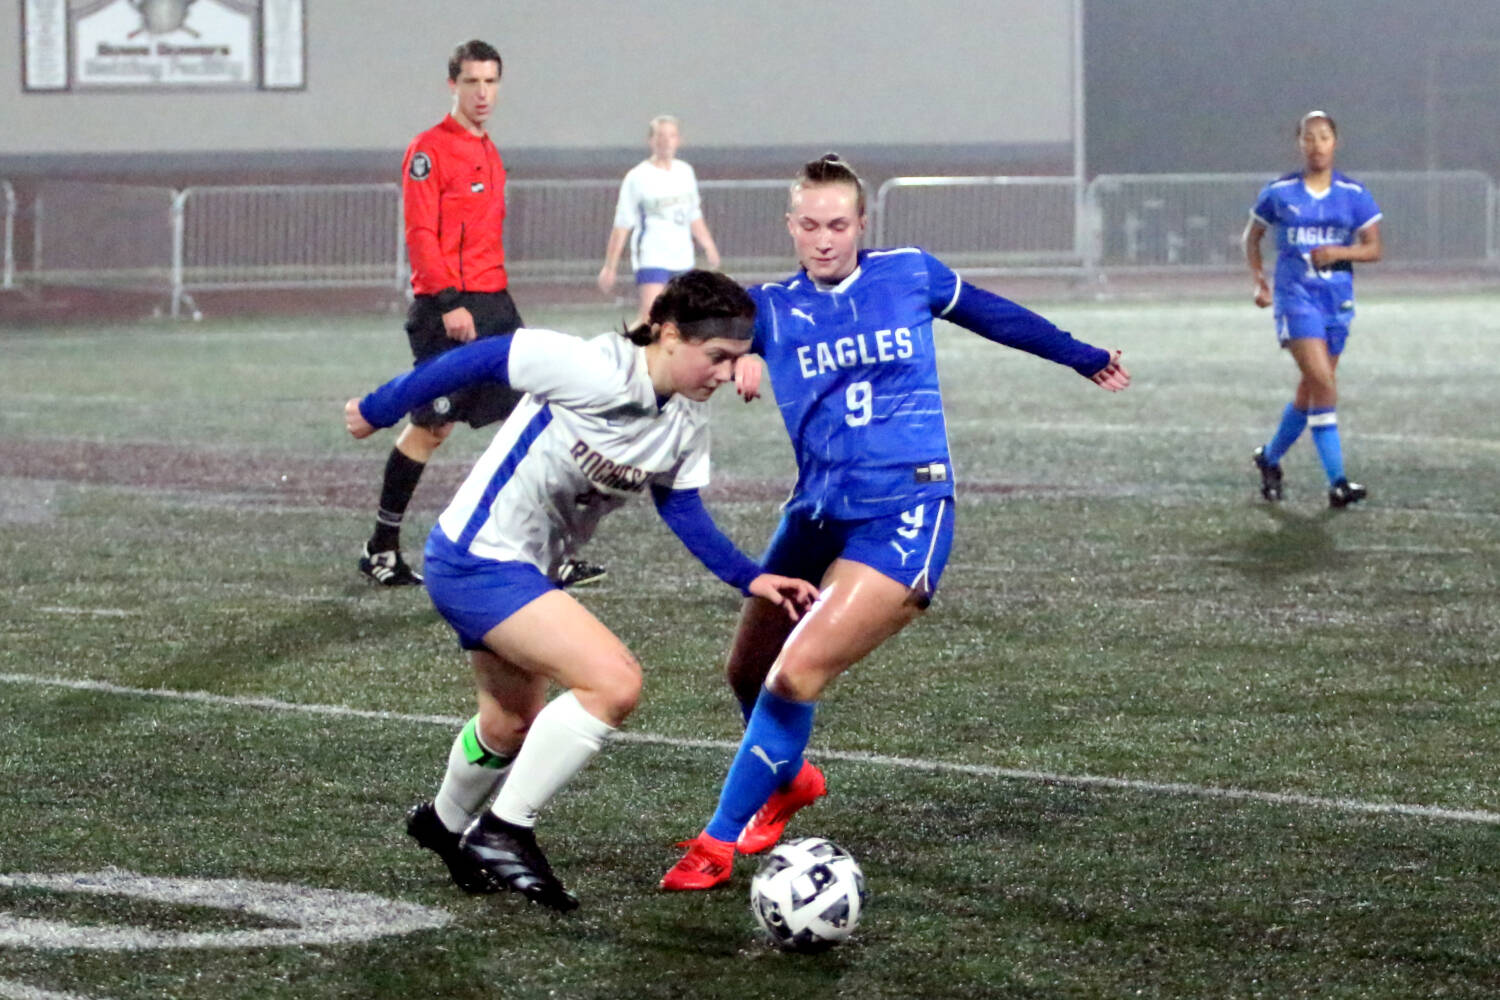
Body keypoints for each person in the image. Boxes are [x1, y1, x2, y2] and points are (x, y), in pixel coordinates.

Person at [659, 154, 1131, 890]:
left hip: (906, 509)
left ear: (862, 224)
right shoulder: (771, 310)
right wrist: (736, 359)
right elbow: (691, 338)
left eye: (838, 224)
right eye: (809, 225)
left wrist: (1082, 356)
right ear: (790, 226)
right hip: (816, 514)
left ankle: (715, 843)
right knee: (747, 671)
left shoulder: (907, 273)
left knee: (794, 674)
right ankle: (788, 781)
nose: (824, 240)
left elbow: (992, 313)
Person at [344, 269, 820, 911]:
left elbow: (681, 509)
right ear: (670, 335)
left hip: (517, 570)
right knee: (613, 681)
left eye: (738, 359)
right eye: (717, 357)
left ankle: (444, 823)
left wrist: (751, 576)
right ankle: (506, 831)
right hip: (477, 559)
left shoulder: (683, 422)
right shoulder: (592, 366)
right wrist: (377, 409)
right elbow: (482, 356)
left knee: (510, 723)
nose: (728, 374)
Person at [358, 38, 605, 589]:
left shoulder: (490, 151)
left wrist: (488, 303)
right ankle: (381, 547)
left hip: (496, 305)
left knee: (538, 420)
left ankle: (549, 553)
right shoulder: (429, 150)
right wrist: (449, 302)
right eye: (472, 81)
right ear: (453, 85)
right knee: (433, 427)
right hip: (448, 307)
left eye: (491, 81)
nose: (483, 92)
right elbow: (422, 232)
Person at [1243, 110, 1382, 508]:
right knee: (1322, 382)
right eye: (1308, 137)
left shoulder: (1353, 194)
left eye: (1323, 136)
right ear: (1299, 143)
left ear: (1334, 142)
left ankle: (1269, 458)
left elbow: (1374, 248)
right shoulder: (1280, 191)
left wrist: (1339, 251)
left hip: (1336, 300)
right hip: (1295, 297)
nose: (1316, 144)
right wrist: (1260, 281)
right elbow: (1252, 237)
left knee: (1311, 389)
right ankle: (1338, 481)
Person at [597, 115, 722, 325]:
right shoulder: (638, 177)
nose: (665, 141)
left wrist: (709, 245)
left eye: (671, 136)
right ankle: (628, 353)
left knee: (679, 316)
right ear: (651, 140)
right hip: (652, 254)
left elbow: (693, 214)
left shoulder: (685, 172)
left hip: (682, 256)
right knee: (651, 315)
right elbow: (622, 225)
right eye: (660, 136)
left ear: (678, 140)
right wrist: (610, 267)